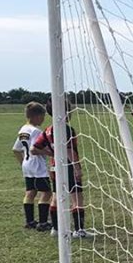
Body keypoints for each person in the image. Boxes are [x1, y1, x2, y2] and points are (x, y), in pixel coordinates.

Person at [32, 101, 88, 238]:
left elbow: (34, 149)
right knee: (77, 197)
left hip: (55, 167)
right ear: (65, 112)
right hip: (68, 167)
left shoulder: (48, 130)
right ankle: (79, 230)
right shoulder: (66, 129)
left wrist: (51, 153)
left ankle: (56, 229)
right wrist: (77, 168)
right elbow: (70, 151)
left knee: (56, 196)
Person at [12, 102, 52, 231]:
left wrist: (22, 163)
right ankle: (43, 222)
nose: (43, 119)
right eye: (43, 116)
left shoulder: (23, 129)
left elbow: (16, 149)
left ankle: (29, 221)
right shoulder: (36, 131)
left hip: (27, 165)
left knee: (31, 192)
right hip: (37, 166)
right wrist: (50, 153)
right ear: (36, 116)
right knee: (46, 192)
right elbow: (34, 149)